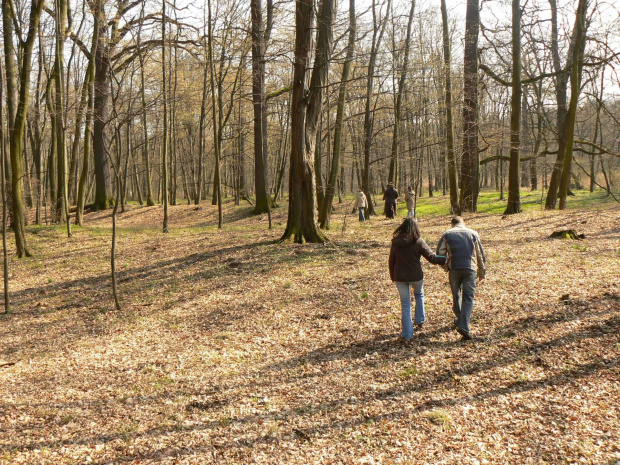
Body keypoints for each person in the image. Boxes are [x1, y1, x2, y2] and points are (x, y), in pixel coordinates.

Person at [389, 218, 446, 341]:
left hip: (400, 276)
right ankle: (420, 319)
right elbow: (432, 257)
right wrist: (445, 259)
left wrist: (392, 276)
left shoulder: (395, 242)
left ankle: (407, 334)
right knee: (419, 294)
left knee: (405, 304)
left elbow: (391, 261)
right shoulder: (418, 241)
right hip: (416, 275)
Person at [436, 216, 486, 340]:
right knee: (468, 297)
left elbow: (440, 253)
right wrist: (481, 271)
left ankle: (460, 320)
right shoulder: (473, 234)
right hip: (470, 268)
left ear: (452, 224)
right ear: (463, 223)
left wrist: (446, 266)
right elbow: (480, 253)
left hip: (455, 269)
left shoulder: (447, 234)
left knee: (456, 294)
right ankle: (463, 324)